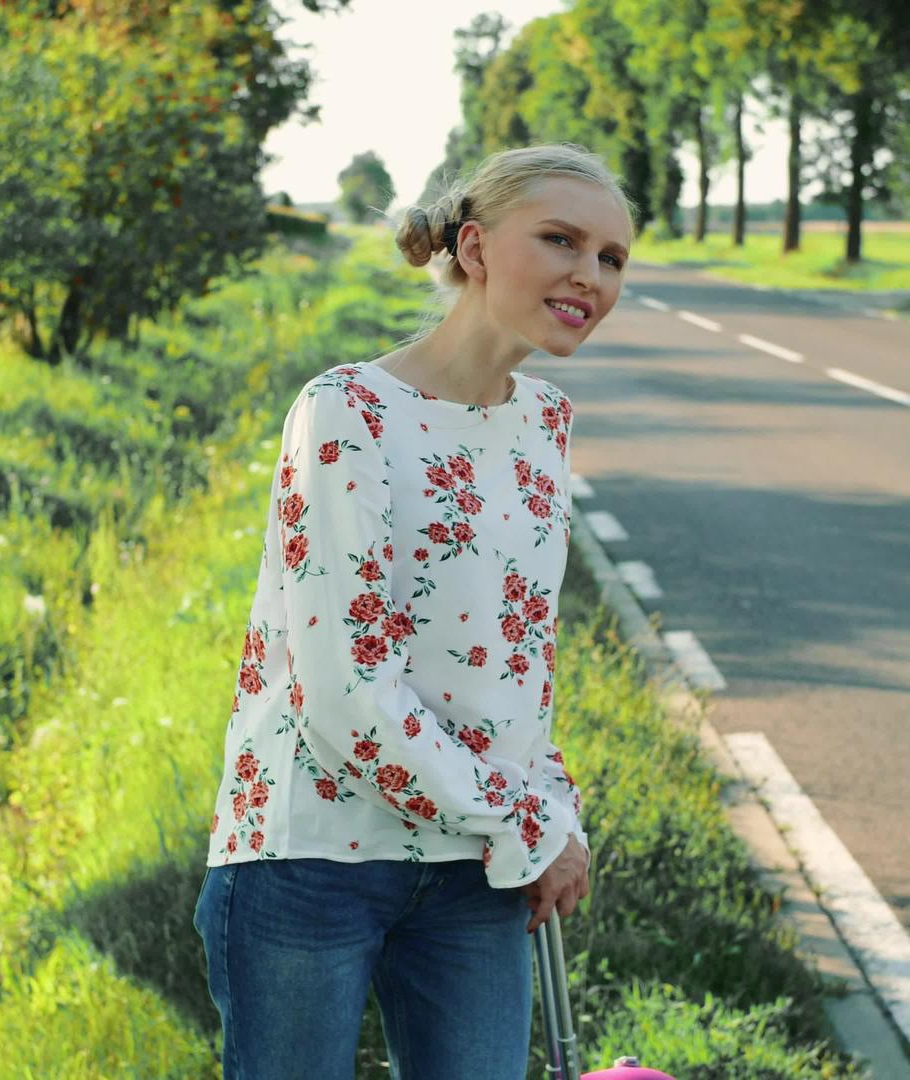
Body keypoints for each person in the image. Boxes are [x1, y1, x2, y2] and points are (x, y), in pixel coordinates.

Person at [192, 142, 634, 1079]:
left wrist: (554, 807)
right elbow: (347, 690)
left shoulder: (546, 421)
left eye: (611, 258)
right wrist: (527, 821)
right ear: (473, 249)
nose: (588, 277)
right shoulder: (347, 409)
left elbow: (518, 661)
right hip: (311, 860)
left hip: (478, 870)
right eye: (560, 240)